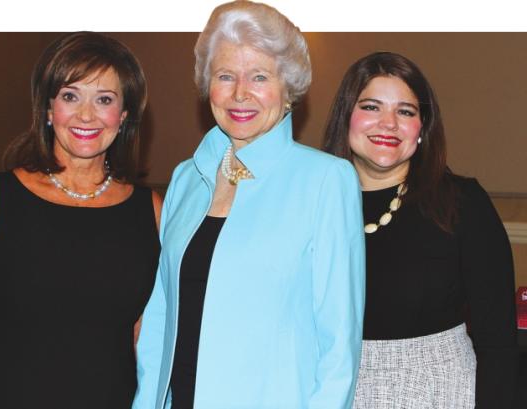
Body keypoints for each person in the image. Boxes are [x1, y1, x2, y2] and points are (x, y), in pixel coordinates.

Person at [133, 2, 365, 409]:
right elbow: (160, 318)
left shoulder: (326, 180)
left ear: (288, 89)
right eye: (225, 76)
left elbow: (339, 344)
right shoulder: (186, 179)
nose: (240, 93)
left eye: (259, 76)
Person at [0, 32, 162, 408]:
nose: (86, 115)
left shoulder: (151, 210)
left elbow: (147, 340)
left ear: (124, 115)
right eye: (70, 96)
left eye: (104, 99)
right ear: (47, 108)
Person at [324, 51, 518, 408]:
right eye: (371, 107)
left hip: (438, 392)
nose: (388, 123)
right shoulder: (313, 203)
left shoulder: (462, 203)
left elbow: (498, 344)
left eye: (405, 111)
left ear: (422, 128)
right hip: (332, 392)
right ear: (345, 117)